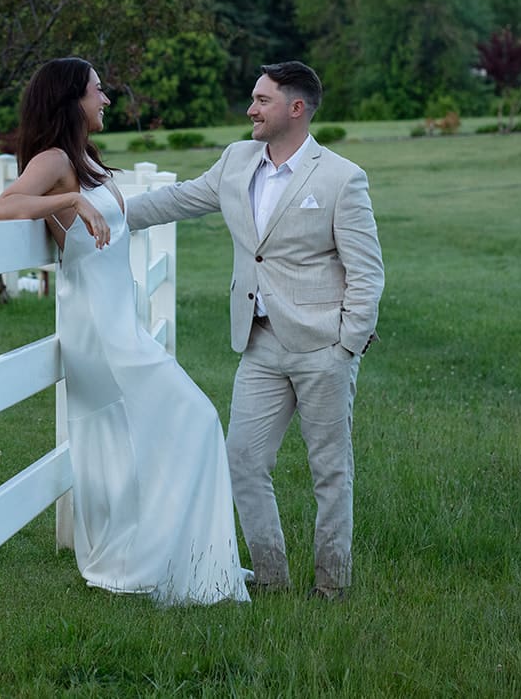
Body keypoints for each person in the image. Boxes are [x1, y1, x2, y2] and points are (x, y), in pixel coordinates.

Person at [0, 57, 249, 606]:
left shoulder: (84, 158)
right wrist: (69, 199)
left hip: (118, 325)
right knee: (197, 419)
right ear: (72, 100)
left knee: (162, 434)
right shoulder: (57, 159)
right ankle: (168, 559)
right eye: (98, 91)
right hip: (99, 335)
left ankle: (183, 552)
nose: (106, 99)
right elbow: (3, 209)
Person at [126, 61, 383, 600]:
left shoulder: (341, 177)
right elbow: (180, 199)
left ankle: (331, 587)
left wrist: (347, 345)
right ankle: (270, 577)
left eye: (262, 100)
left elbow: (367, 272)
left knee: (330, 473)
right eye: (253, 98)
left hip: (322, 348)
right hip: (259, 343)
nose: (250, 109)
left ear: (296, 108)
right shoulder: (237, 160)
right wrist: (104, 210)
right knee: (242, 461)